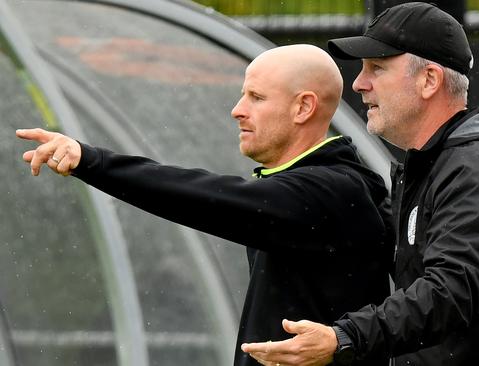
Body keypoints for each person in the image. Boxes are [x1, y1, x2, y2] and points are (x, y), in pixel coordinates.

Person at [242, 3, 479, 366]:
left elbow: (451, 292)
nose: (359, 83)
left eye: (377, 67)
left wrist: (343, 337)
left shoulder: (478, 165)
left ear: (430, 81)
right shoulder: (434, 166)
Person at [16, 44, 392, 366]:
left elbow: (199, 197)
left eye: (256, 98)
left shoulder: (327, 191)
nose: (237, 110)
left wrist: (91, 160)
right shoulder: (329, 182)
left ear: (303, 108)